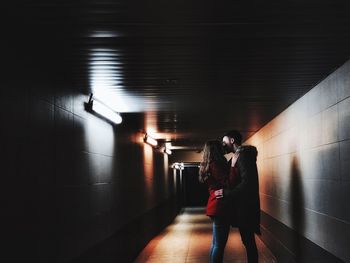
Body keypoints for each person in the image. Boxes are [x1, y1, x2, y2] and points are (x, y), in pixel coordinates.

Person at [215, 130, 261, 263]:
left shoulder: (244, 156)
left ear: (232, 141)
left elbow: (247, 183)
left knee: (249, 242)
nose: (223, 145)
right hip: (242, 207)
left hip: (246, 207)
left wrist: (226, 193)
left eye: (224, 142)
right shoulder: (236, 157)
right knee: (247, 241)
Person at [199, 140, 240, 263]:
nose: (223, 148)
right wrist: (233, 165)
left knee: (216, 244)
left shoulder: (210, 164)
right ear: (216, 150)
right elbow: (228, 183)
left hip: (216, 205)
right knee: (219, 245)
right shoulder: (215, 164)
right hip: (220, 206)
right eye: (220, 147)